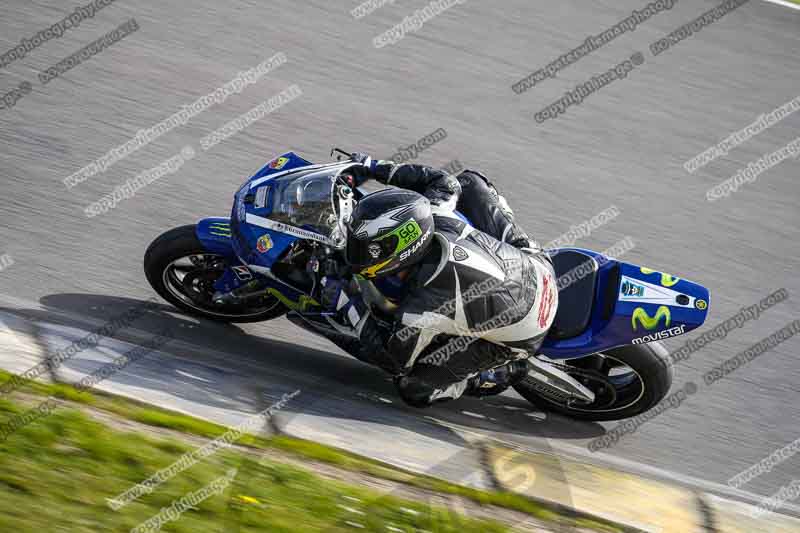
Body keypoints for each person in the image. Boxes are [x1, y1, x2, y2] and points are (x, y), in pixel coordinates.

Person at [322, 153, 559, 407]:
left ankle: (501, 373)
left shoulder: (422, 306)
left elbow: (393, 359)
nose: (358, 253)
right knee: (469, 181)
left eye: (368, 249)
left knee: (414, 388)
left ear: (400, 255)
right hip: (536, 263)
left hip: (528, 329)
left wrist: (345, 301)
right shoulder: (433, 212)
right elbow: (445, 181)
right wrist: (372, 167)